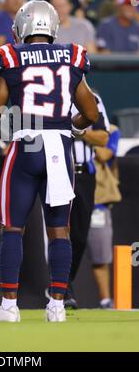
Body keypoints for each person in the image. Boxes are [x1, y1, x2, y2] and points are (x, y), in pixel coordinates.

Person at [0, 0, 99, 322]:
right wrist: (70, 129)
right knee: (59, 230)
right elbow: (91, 113)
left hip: (26, 146)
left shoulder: (10, 55)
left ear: (22, 26)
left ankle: (9, 307)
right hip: (60, 149)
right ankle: (58, 306)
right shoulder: (72, 55)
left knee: (12, 228)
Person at [65, 92, 110, 308]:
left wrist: (77, 130)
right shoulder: (55, 91)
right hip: (59, 169)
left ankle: (64, 283)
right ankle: (62, 290)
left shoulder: (94, 98)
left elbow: (103, 137)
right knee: (59, 230)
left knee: (80, 237)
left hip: (84, 174)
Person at [87, 124, 121, 309]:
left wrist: (83, 133)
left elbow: (104, 155)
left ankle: (105, 300)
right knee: (65, 249)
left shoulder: (112, 131)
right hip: (70, 199)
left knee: (100, 255)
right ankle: (61, 296)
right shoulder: (63, 125)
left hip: (98, 202)